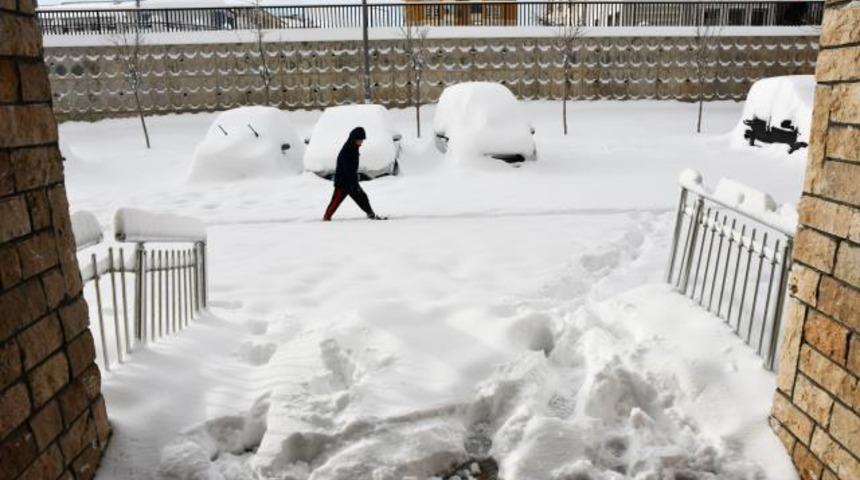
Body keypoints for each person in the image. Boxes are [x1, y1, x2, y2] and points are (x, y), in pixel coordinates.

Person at [323, 127, 385, 221]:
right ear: (354, 139)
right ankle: (326, 217)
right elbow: (348, 169)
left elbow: (352, 169)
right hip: (343, 182)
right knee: (336, 201)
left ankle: (370, 214)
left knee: (362, 197)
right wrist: (353, 182)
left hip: (351, 181)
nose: (361, 142)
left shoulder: (354, 148)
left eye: (362, 140)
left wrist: (354, 183)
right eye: (360, 140)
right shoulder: (347, 150)